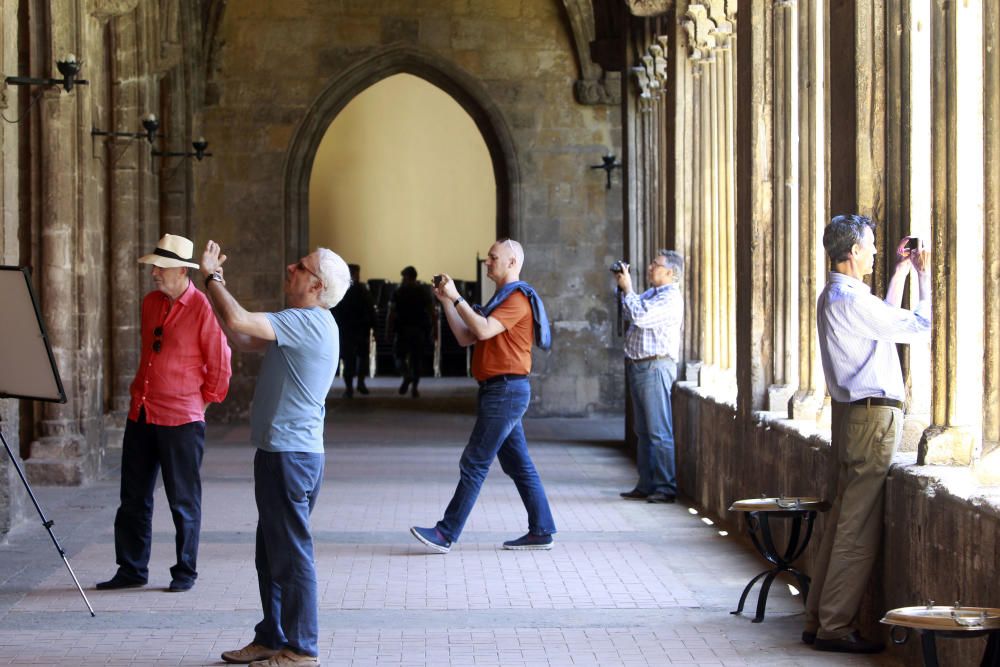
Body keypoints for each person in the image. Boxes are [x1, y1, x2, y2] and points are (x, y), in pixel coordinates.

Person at [201, 241, 350, 667]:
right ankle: (273, 636)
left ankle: (301, 649)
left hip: (291, 456)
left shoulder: (309, 321)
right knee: (271, 553)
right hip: (282, 452)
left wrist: (212, 280)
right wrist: (219, 290)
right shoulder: (305, 322)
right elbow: (244, 335)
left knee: (291, 554)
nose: (290, 268)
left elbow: (239, 318)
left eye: (300, 267)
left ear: (317, 285)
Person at [804, 214, 931, 654]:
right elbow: (916, 328)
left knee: (842, 521)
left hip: (852, 417)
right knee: (855, 531)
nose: (876, 251)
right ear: (853, 252)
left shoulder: (839, 295)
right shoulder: (848, 300)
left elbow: (883, 321)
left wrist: (900, 273)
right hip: (871, 420)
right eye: (871, 245)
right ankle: (834, 628)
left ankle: (817, 618)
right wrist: (926, 276)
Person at [97, 234, 232, 593]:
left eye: (162, 267)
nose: (155, 272)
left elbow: (221, 363)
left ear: (182, 271)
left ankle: (185, 571)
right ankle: (131, 568)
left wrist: (202, 402)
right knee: (133, 497)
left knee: (183, 500)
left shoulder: (202, 307)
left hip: (182, 419)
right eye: (154, 266)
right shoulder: (150, 303)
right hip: (141, 411)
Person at [410, 238, 556, 553]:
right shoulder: (501, 299)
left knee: (474, 461)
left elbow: (484, 330)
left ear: (512, 262)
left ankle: (445, 533)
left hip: (506, 390)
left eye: (493, 257)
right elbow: (466, 336)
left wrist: (458, 296)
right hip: (500, 390)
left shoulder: (517, 298)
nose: (487, 262)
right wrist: (447, 302)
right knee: (519, 465)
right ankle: (542, 529)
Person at [615, 250, 684, 505]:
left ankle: (665, 487)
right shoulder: (653, 294)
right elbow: (628, 313)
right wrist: (624, 291)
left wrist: (629, 288)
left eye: (657, 264)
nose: (650, 266)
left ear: (671, 273)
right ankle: (646, 484)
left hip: (655, 368)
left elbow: (640, 316)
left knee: (658, 431)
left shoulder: (670, 299)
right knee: (643, 431)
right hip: (640, 366)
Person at [386, 265, 433, 398]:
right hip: (419, 330)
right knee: (416, 360)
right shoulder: (423, 292)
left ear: (407, 277)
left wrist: (388, 331)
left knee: (399, 357)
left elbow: (392, 313)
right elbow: (432, 312)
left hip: (402, 330)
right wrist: (434, 330)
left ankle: (407, 376)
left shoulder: (399, 291)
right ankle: (414, 388)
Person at [331, 263, 376, 398]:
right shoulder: (362, 290)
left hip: (348, 329)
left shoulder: (341, 290)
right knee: (360, 358)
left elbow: (335, 310)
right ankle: (359, 384)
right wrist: (374, 327)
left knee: (350, 359)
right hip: (358, 329)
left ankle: (350, 387)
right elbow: (371, 310)